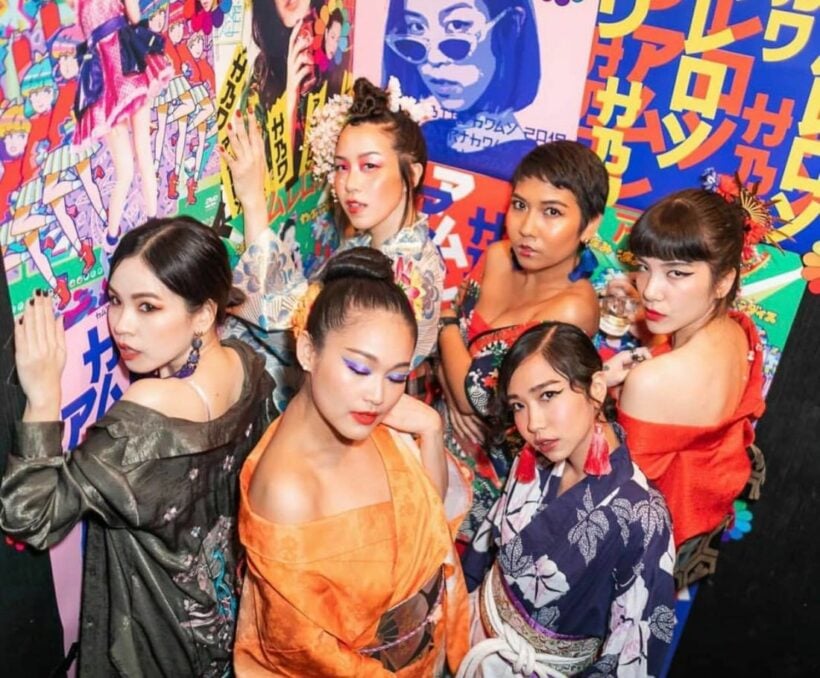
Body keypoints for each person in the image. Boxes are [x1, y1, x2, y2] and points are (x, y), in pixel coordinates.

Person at [0, 216, 277, 676]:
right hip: (227, 625)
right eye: (114, 301)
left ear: (203, 314)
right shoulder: (247, 366)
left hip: (156, 647)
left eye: (148, 307)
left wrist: (44, 396)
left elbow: (29, 515)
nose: (122, 326)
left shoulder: (147, 411)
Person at [233, 247, 470, 675]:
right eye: (360, 369)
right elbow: (305, 655)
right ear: (308, 351)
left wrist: (432, 429)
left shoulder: (368, 420)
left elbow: (428, 520)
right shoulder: (287, 491)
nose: (378, 395)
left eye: (397, 376)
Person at [459, 322, 676, 677]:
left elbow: (633, 656)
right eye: (519, 405)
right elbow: (485, 547)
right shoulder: (533, 459)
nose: (533, 423)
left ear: (596, 388)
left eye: (548, 395)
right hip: (474, 632)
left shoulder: (643, 515)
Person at [221, 77, 444, 409]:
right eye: (342, 166)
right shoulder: (378, 243)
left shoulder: (406, 274)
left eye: (369, 166)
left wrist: (253, 200)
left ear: (412, 174)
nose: (350, 184)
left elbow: (294, 327)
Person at [438, 140, 607, 547]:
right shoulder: (498, 255)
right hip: (435, 441)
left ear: (589, 225)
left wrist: (443, 323)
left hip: (493, 488)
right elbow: (458, 381)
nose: (527, 228)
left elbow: (477, 399)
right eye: (519, 205)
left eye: (552, 212)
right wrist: (452, 381)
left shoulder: (572, 309)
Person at [607, 186, 766, 589]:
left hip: (625, 557)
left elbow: (606, 498)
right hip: (683, 536)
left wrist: (593, 391)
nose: (650, 290)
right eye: (644, 266)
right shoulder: (737, 332)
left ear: (723, 280)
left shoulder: (654, 380)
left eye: (676, 273)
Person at [382, 0, 540, 179]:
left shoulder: (527, 168)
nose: (433, 58)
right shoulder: (426, 133)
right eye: (417, 27)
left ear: (511, 26)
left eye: (457, 25)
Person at [72, 0, 171, 248]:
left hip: (101, 76)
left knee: (124, 171)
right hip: (127, 65)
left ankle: (111, 236)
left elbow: (82, 35)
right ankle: (153, 221)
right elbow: (135, 18)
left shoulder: (77, 4)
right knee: (143, 153)